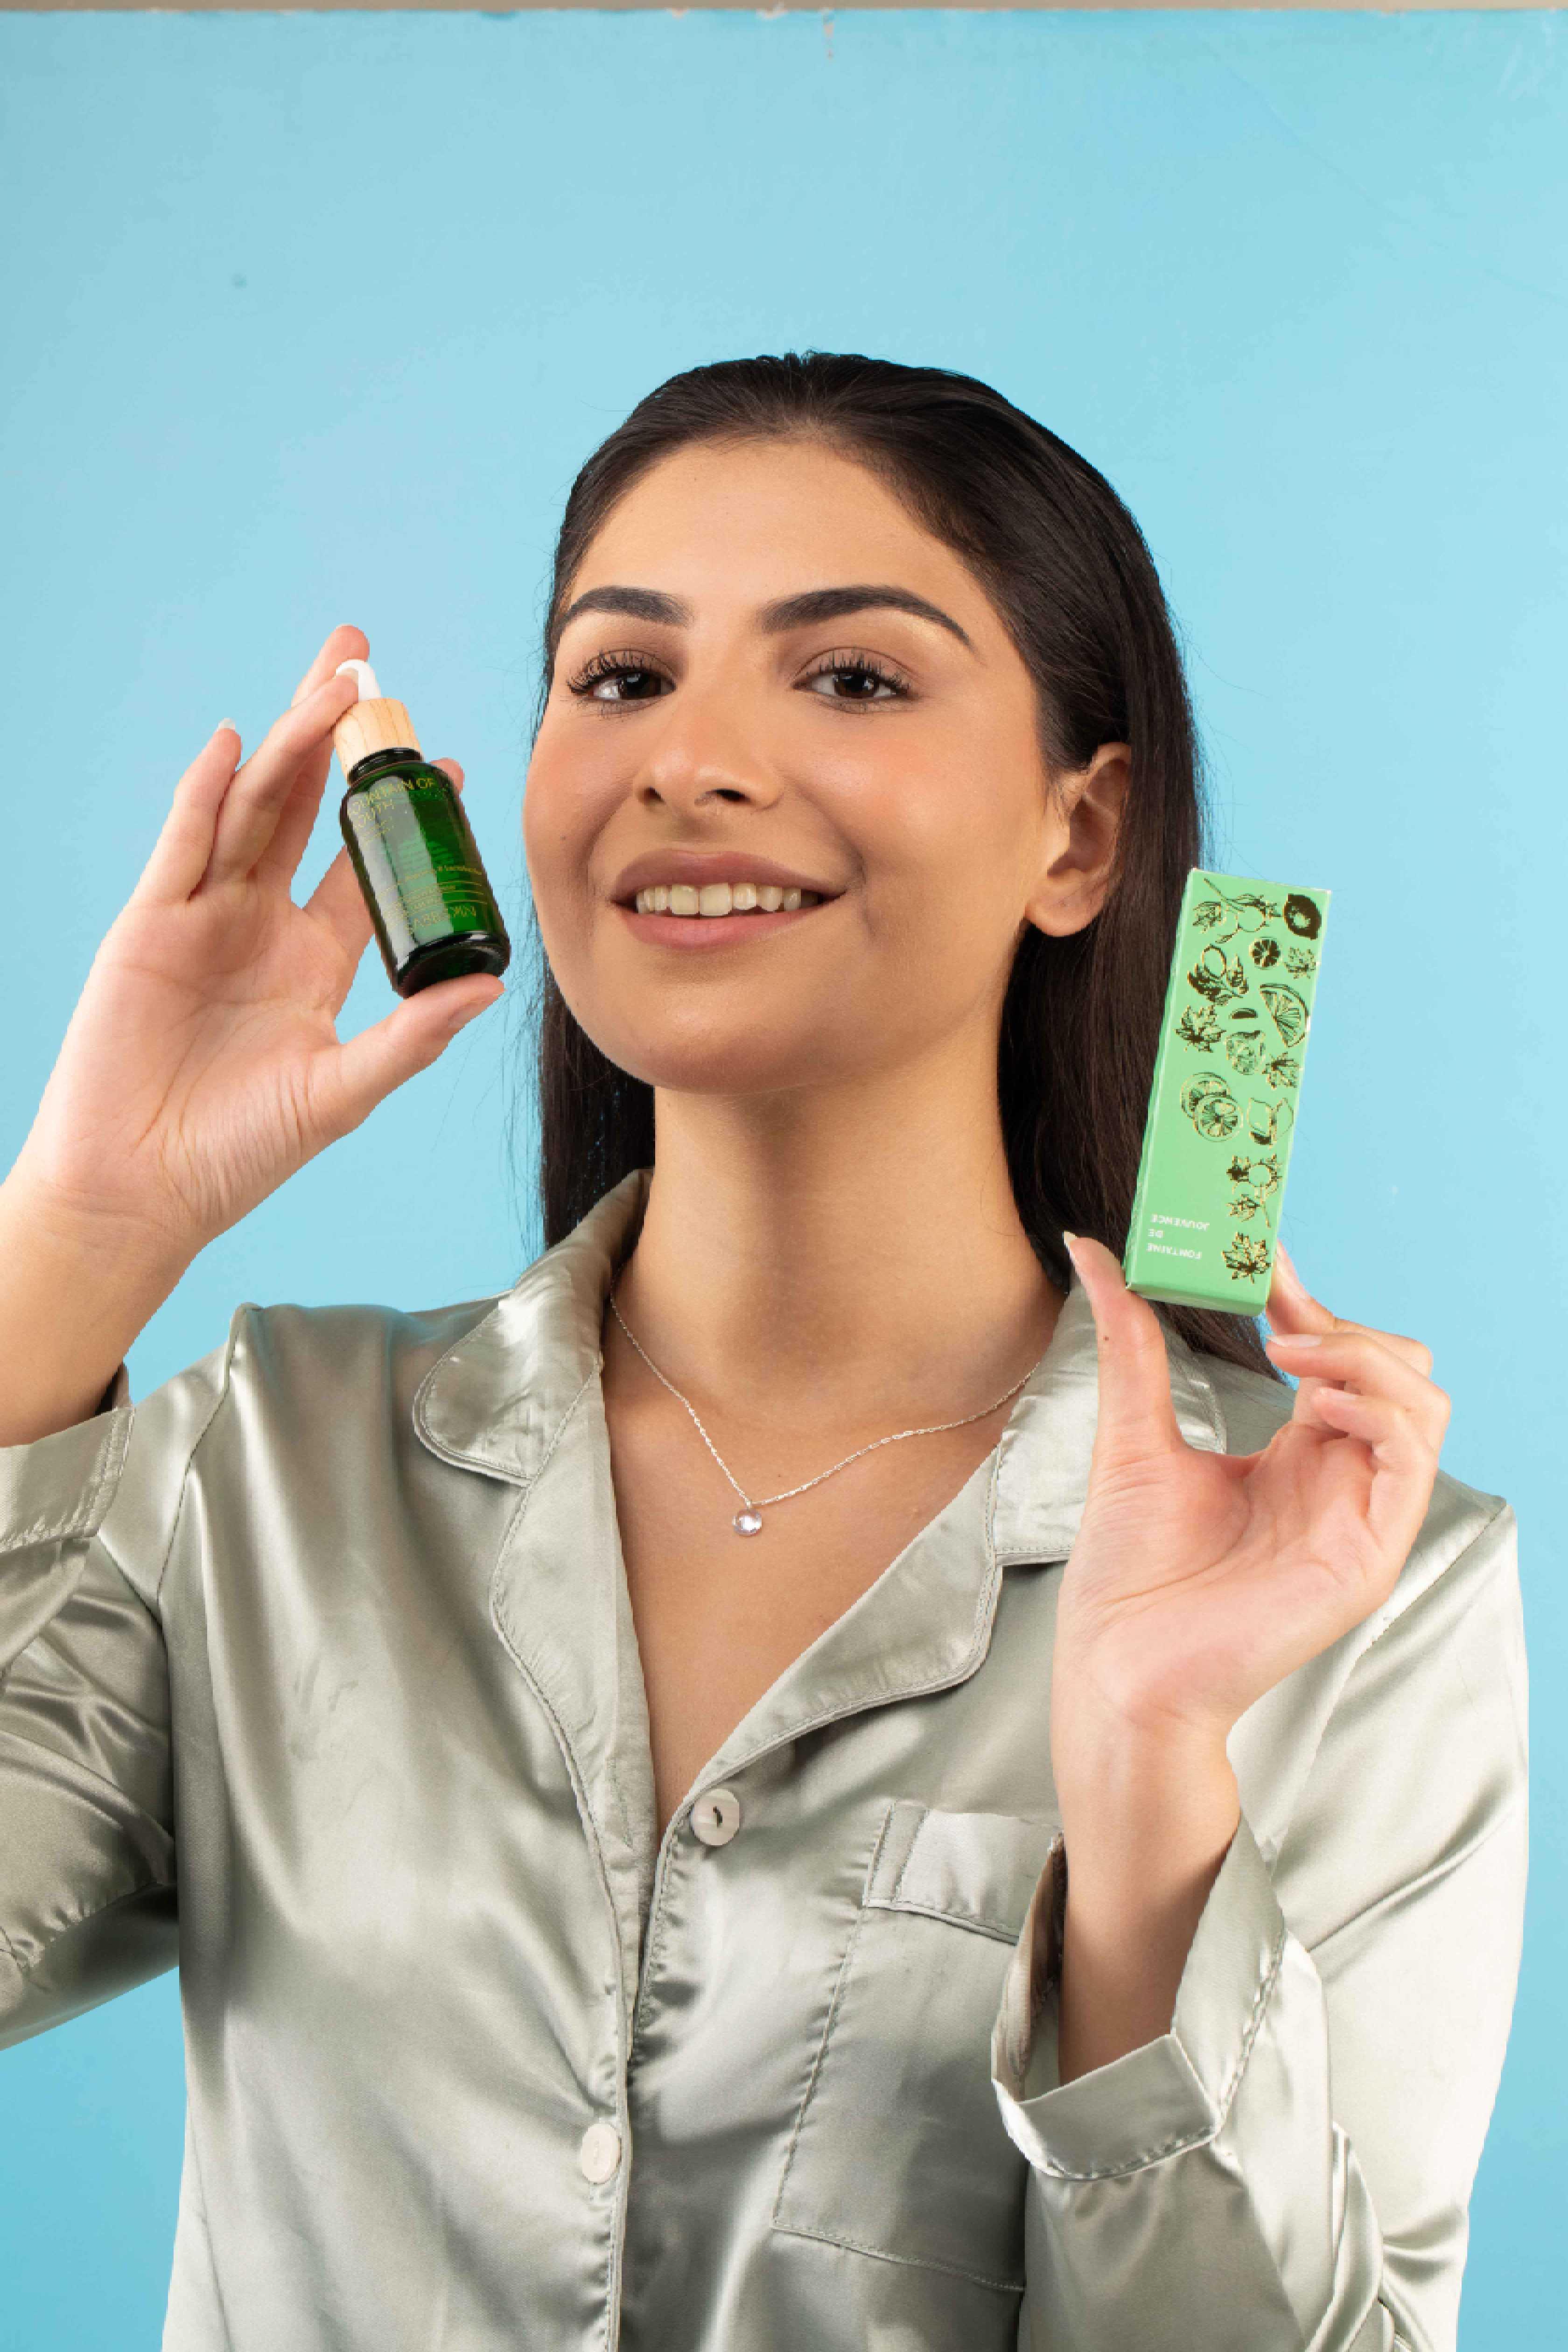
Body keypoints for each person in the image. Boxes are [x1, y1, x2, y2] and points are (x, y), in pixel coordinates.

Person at [0, 354, 1526, 2352]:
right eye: (622, 679)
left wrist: (1151, 1805)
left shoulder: (1365, 1589)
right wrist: (75, 1249)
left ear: (1086, 829)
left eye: (854, 680)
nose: (688, 762)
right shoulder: (264, 1468)